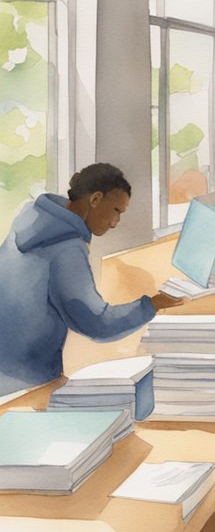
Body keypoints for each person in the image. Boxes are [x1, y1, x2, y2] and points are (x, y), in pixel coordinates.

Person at [0, 164, 183, 396]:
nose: (116, 222)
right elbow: (98, 324)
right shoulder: (66, 249)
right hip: (27, 383)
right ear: (96, 199)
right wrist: (151, 305)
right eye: (116, 210)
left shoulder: (34, 216)